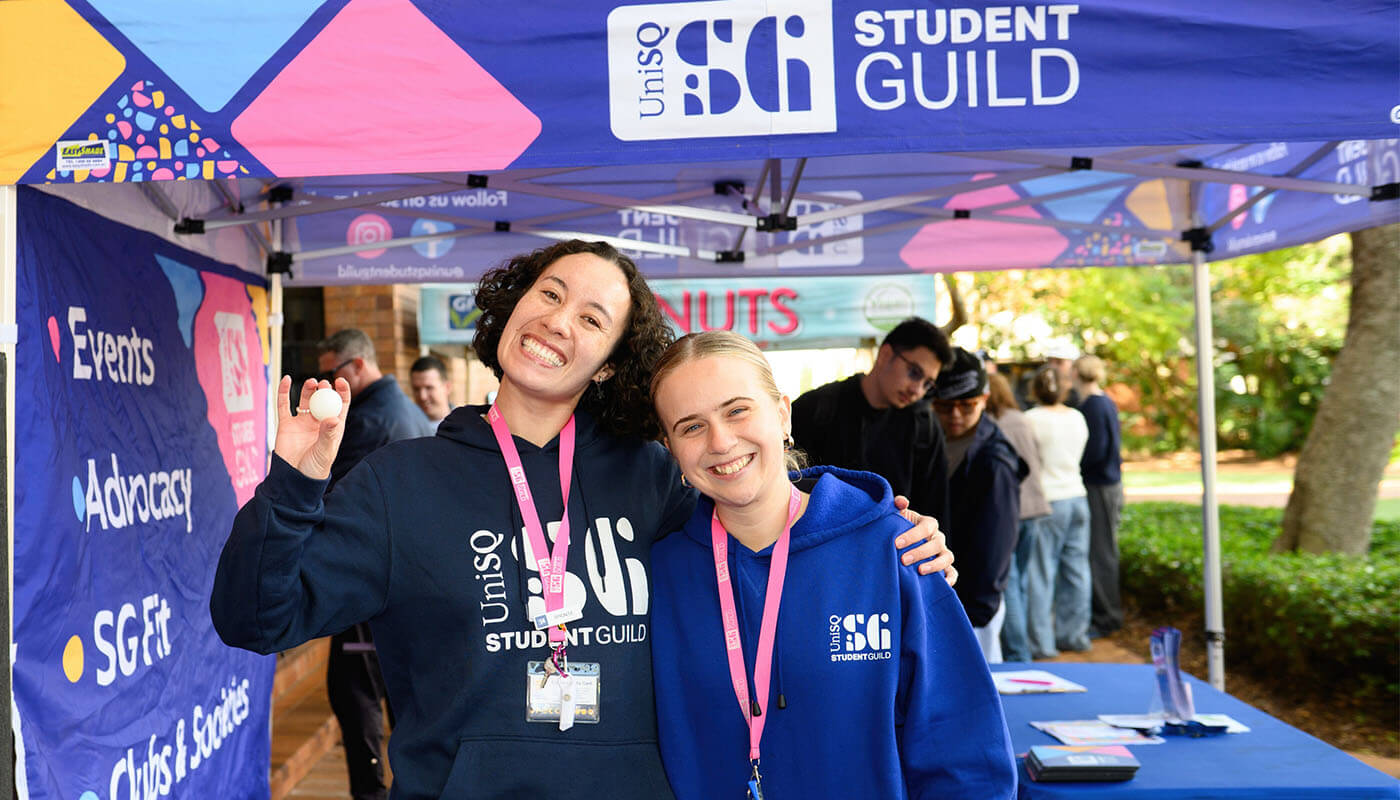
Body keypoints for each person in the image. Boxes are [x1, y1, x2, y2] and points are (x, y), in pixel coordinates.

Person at [210, 241, 953, 799]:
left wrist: (879, 530)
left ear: (608, 363)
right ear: (511, 307)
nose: (557, 321)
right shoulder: (398, 483)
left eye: (591, 317)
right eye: (549, 293)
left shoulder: (654, 474)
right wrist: (296, 482)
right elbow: (254, 618)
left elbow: (767, 515)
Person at [648, 331, 1016, 799]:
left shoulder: (896, 550)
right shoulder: (659, 574)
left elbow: (965, 752)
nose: (721, 441)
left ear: (782, 414)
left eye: (737, 410)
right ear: (671, 448)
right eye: (691, 426)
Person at [316, 329, 436, 800]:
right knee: (389, 691)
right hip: (404, 580)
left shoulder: (370, 420)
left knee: (356, 694)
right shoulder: (405, 410)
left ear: (358, 366)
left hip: (372, 585)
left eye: (332, 372)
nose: (325, 383)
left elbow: (332, 502)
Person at [790, 317, 953, 528]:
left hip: (897, 552)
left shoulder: (924, 426)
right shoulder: (816, 408)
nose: (917, 390)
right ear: (885, 354)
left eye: (927, 384)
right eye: (914, 373)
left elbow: (936, 512)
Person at [930, 348, 1026, 663]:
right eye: (945, 406)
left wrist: (976, 613)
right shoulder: (932, 440)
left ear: (984, 399)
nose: (956, 415)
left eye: (967, 405)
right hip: (945, 596)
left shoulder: (994, 460)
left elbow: (996, 544)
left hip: (972, 606)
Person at [1023, 367, 1091, 657]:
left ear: (1035, 390)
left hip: (1048, 501)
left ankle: (1042, 643)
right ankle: (1074, 635)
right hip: (1077, 495)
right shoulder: (1077, 417)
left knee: (1040, 572)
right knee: (1077, 569)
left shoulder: (1031, 420)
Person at [985, 372, 1052, 663]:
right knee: (1022, 582)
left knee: (1009, 585)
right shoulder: (1021, 418)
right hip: (1035, 507)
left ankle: (1018, 652)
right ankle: (1027, 646)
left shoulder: (990, 423)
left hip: (1012, 511)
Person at [1075, 354, 1125, 638]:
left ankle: (1107, 617)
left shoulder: (1093, 405)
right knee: (1103, 550)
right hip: (1108, 484)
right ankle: (1106, 614)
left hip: (1100, 486)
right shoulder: (1104, 400)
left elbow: (1096, 450)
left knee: (1102, 552)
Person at [409, 354, 453, 428]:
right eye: (416, 389)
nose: (422, 396)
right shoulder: (406, 429)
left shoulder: (465, 426)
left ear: (447, 387)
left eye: (429, 388)